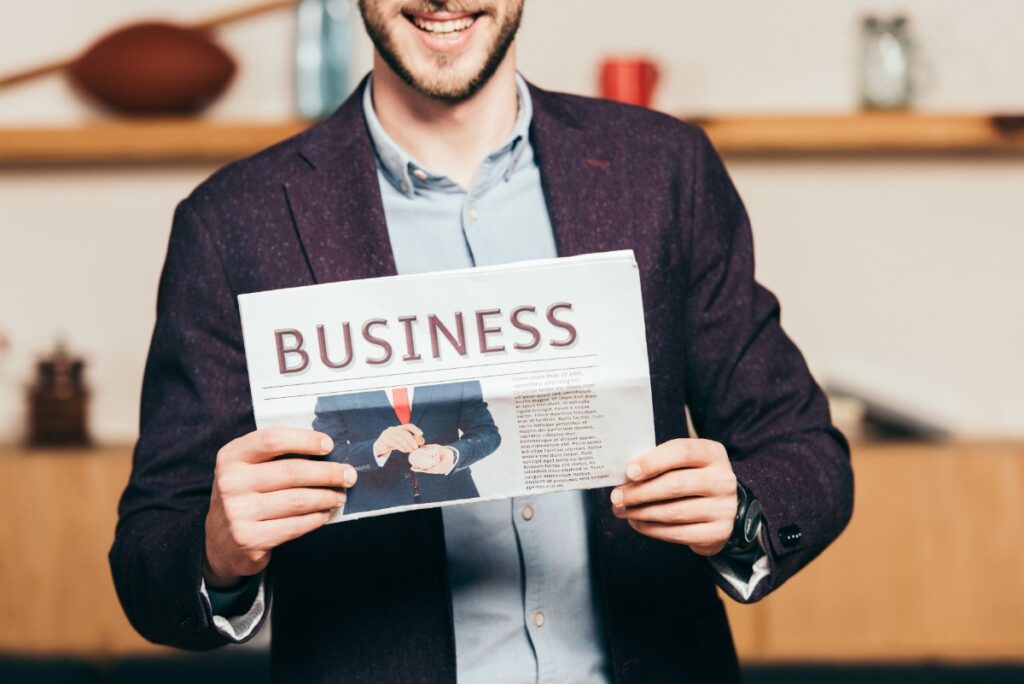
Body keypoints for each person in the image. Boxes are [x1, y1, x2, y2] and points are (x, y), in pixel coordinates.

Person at [110, 1, 854, 682]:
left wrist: (740, 512)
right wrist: (218, 550)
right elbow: (149, 555)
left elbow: (805, 450)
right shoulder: (229, 223)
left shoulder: (665, 171)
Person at [312, 381, 501, 513]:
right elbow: (327, 453)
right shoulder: (335, 382)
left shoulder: (454, 367)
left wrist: (452, 455)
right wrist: (376, 449)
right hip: (373, 507)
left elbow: (486, 433)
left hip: (454, 501)